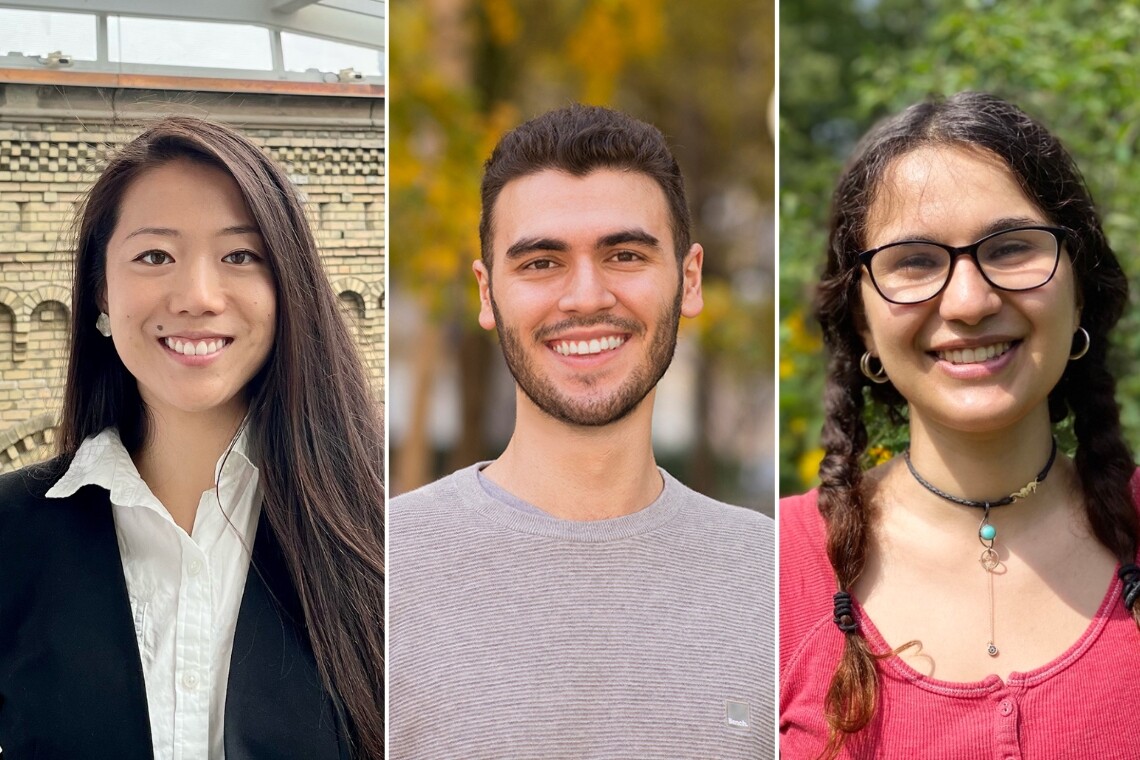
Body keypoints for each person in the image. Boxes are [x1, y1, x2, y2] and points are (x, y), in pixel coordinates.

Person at [390, 104, 774, 758]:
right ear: (486, 294)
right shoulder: (383, 565)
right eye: (541, 263)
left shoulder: (772, 575)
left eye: (624, 255)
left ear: (689, 279)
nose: (586, 297)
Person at [0, 117, 385, 759]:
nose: (198, 296)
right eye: (155, 256)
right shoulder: (11, 533)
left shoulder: (379, 524)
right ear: (100, 287)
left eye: (240, 255)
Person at [780, 91, 1140, 759]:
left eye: (1010, 249)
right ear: (861, 318)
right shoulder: (772, 573)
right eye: (913, 262)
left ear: (1079, 286)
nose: (969, 302)